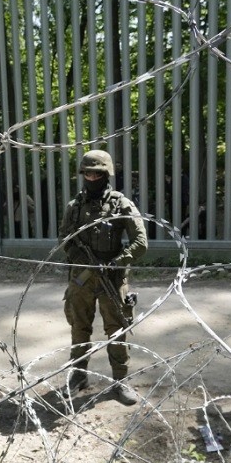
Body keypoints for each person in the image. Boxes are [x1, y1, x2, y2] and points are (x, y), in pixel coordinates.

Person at [59, 149, 148, 405]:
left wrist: (114, 263)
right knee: (79, 328)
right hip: (82, 278)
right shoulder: (74, 207)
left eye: (96, 173)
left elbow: (140, 243)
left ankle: (120, 381)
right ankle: (78, 375)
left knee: (117, 331)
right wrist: (80, 256)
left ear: (106, 174)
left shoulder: (121, 204)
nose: (91, 176)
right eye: (87, 172)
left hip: (112, 278)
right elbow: (64, 239)